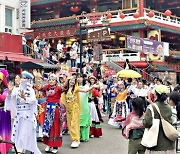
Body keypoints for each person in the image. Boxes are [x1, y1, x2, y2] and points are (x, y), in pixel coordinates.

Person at [5, 71, 41, 154]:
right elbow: (10, 99)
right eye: (21, 78)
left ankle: (26, 151)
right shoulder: (16, 89)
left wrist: (25, 98)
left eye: (24, 78)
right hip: (19, 117)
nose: (22, 80)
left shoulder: (30, 90)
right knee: (18, 135)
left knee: (24, 136)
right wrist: (10, 92)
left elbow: (34, 101)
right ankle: (19, 151)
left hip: (27, 117)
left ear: (28, 80)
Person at [61, 76, 95, 148]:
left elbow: (85, 91)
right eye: (71, 80)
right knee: (70, 125)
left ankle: (76, 140)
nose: (72, 82)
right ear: (68, 80)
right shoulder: (65, 89)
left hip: (75, 109)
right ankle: (75, 139)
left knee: (74, 124)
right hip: (68, 110)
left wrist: (93, 86)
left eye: (74, 80)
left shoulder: (76, 89)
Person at [143, 85, 176, 154]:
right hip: (169, 145)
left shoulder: (151, 108)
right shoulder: (170, 108)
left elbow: (147, 123)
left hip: (155, 144)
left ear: (155, 94)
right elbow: (173, 121)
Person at [41, 73, 62, 153]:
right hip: (48, 109)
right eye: (50, 79)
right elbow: (39, 88)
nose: (51, 81)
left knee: (55, 126)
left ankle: (55, 146)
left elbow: (65, 88)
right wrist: (37, 77)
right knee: (47, 126)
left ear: (56, 81)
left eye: (53, 80)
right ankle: (48, 144)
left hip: (55, 109)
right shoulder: (47, 87)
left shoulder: (58, 88)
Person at [0, 71, 11, 154]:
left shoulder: (6, 89)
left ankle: (3, 149)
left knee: (3, 131)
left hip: (4, 113)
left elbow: (3, 98)